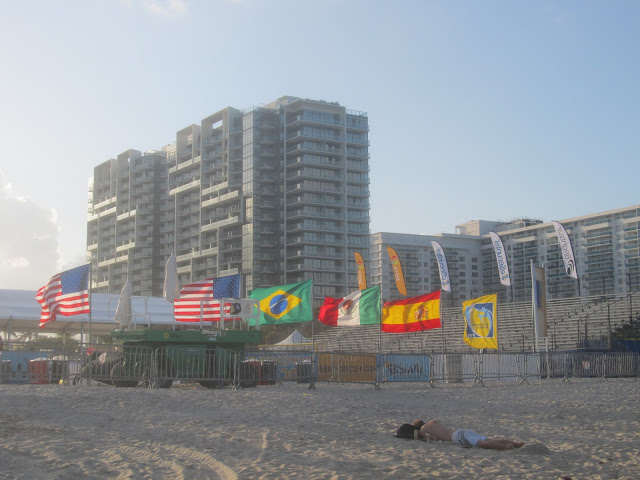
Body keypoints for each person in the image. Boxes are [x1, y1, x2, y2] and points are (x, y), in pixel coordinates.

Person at [395, 419, 524, 451]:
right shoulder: (433, 422)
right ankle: (516, 443)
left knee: (483, 444)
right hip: (459, 431)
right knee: (487, 438)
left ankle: (505, 447)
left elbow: (434, 438)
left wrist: (422, 438)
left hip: (456, 438)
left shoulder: (423, 430)